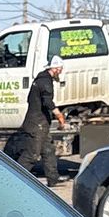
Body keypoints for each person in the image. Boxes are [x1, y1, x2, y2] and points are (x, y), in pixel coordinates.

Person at [20, 56, 67, 184]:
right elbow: (47, 102)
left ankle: (53, 178)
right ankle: (17, 178)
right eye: (60, 69)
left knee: (48, 150)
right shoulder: (45, 82)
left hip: (39, 122)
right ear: (56, 68)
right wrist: (60, 116)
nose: (61, 72)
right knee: (32, 155)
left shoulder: (41, 79)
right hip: (37, 124)